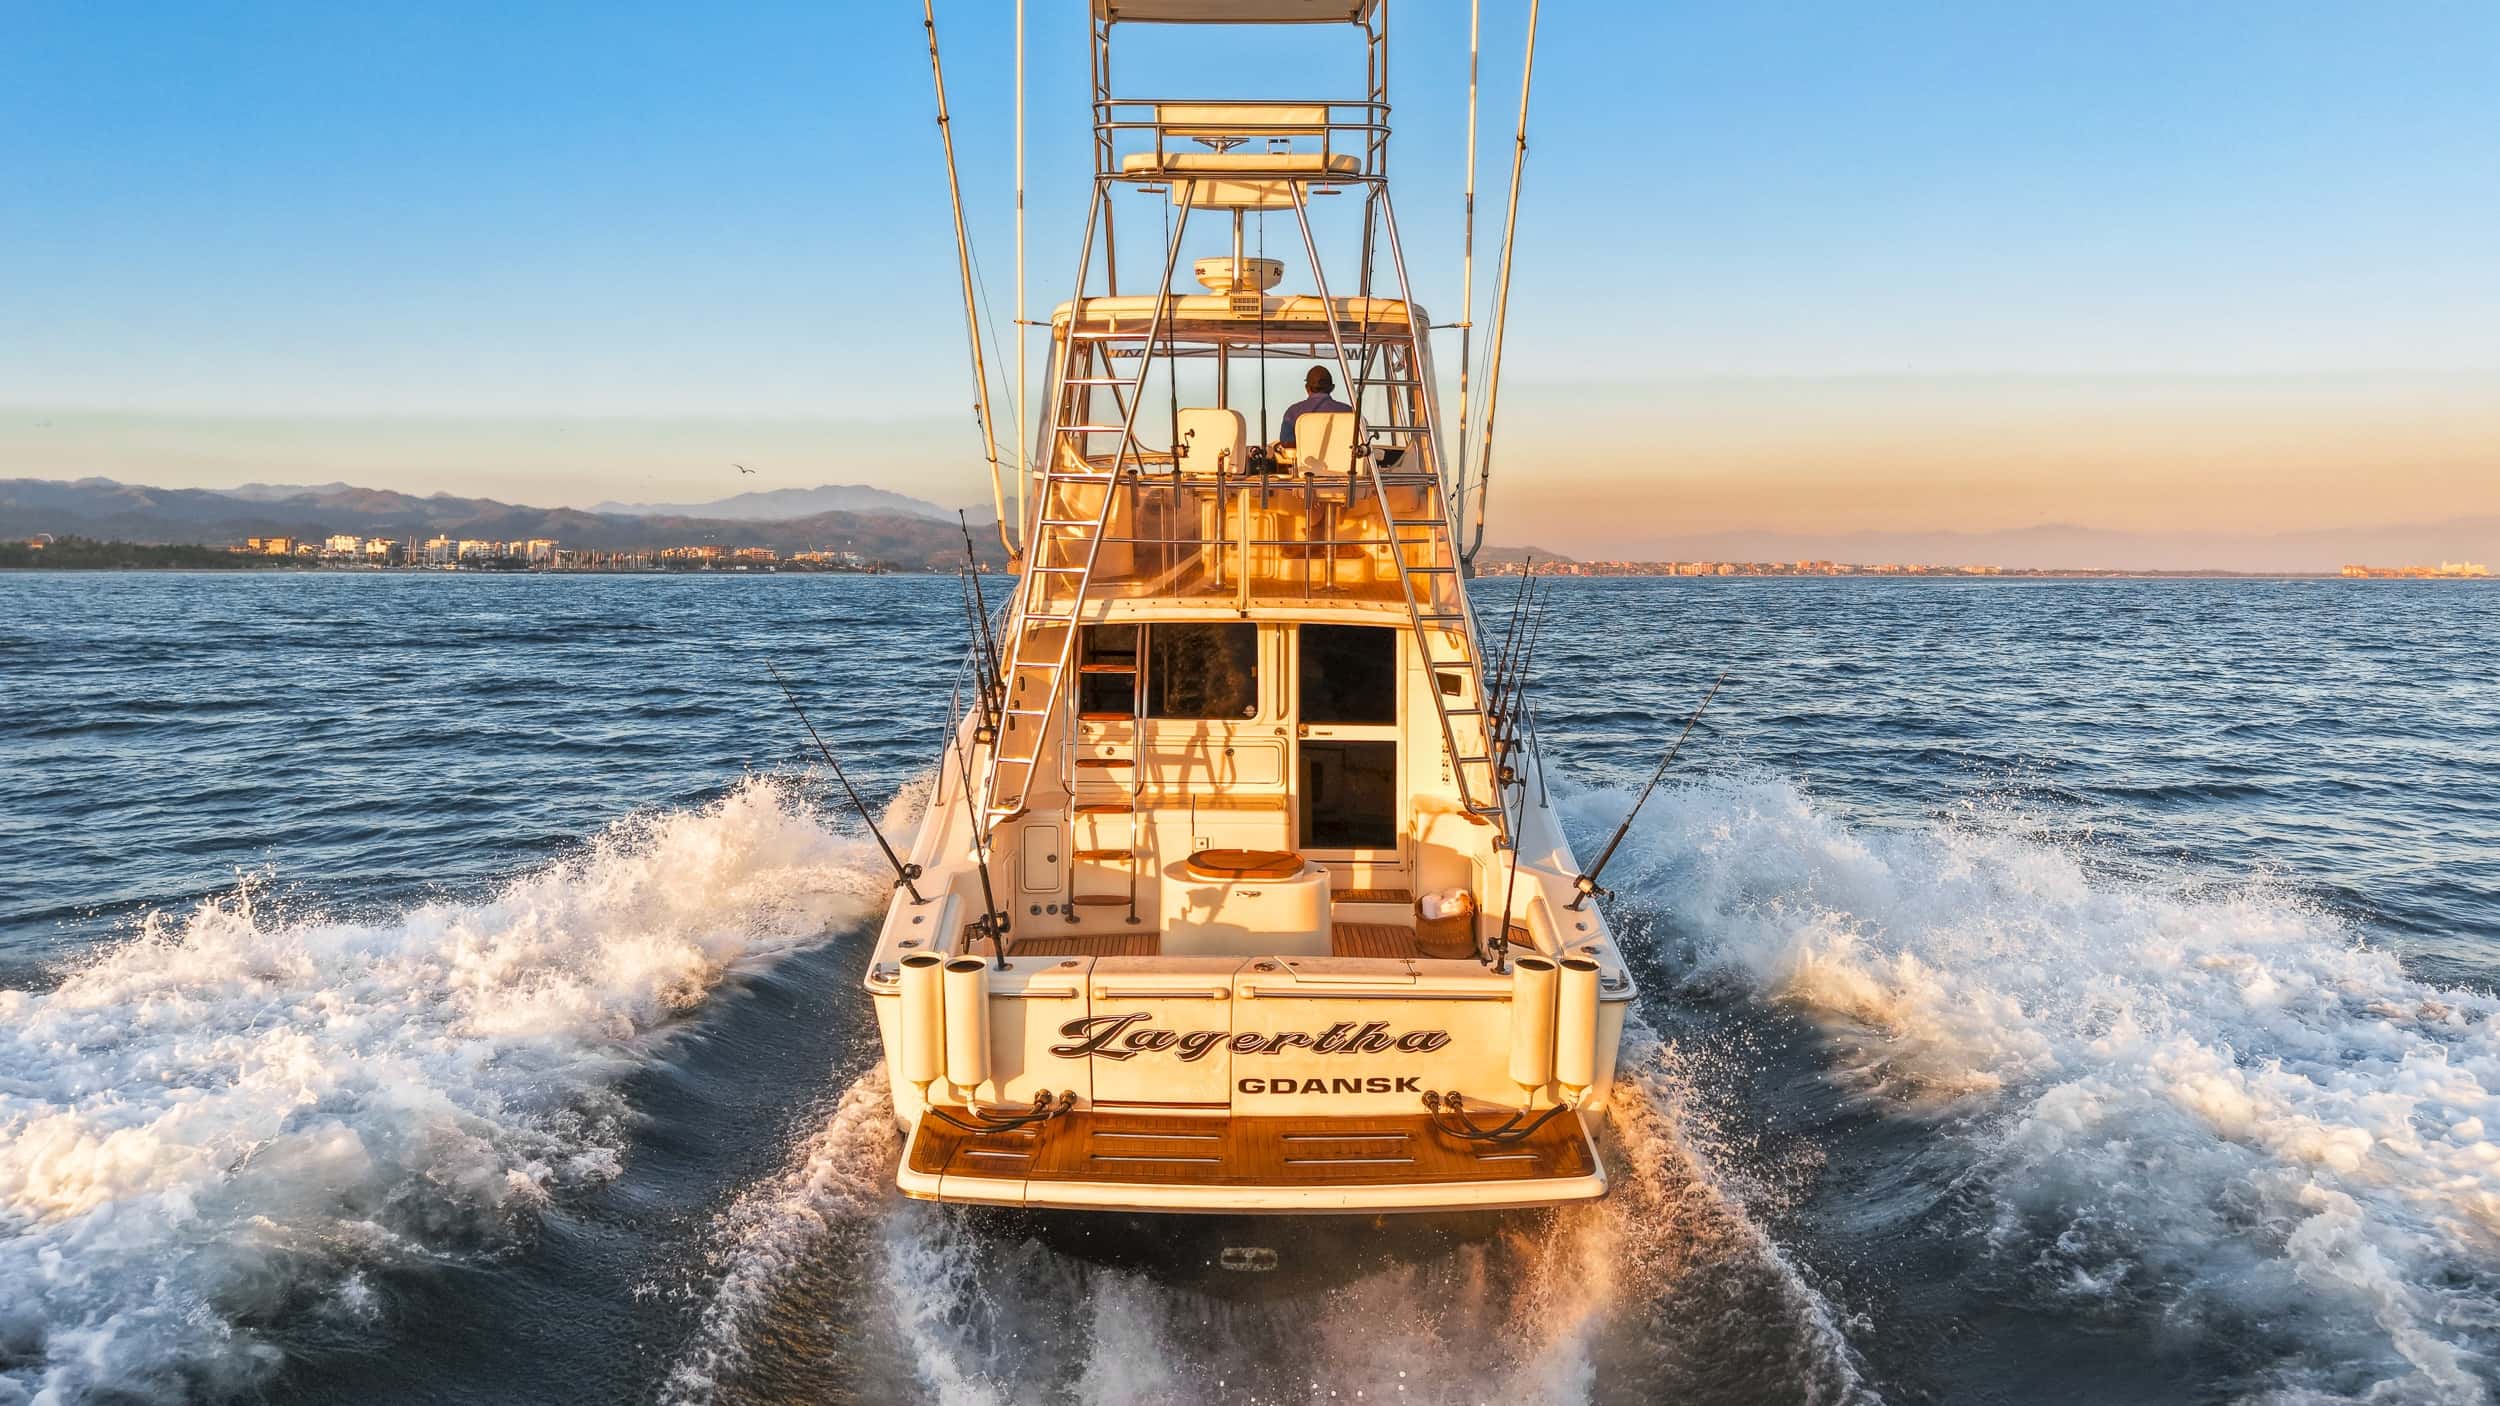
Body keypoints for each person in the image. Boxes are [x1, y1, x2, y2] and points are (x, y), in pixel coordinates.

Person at [1277, 365, 1351, 450]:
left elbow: (1286, 443)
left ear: (1307, 388)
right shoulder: (1349, 412)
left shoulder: (1293, 412)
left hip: (1306, 463)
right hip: (1342, 462)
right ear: (1332, 388)